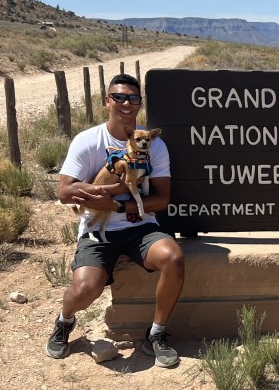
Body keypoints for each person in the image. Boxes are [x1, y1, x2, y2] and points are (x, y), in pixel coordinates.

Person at [45, 74, 185, 367]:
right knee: (86, 289)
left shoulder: (153, 145)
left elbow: (161, 199)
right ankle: (64, 320)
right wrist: (102, 194)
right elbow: (64, 192)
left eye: (133, 99)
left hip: (141, 226)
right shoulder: (88, 141)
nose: (126, 104)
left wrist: (119, 208)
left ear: (139, 104)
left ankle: (156, 333)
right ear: (108, 100)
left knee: (172, 258)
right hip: (98, 228)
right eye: (119, 97)